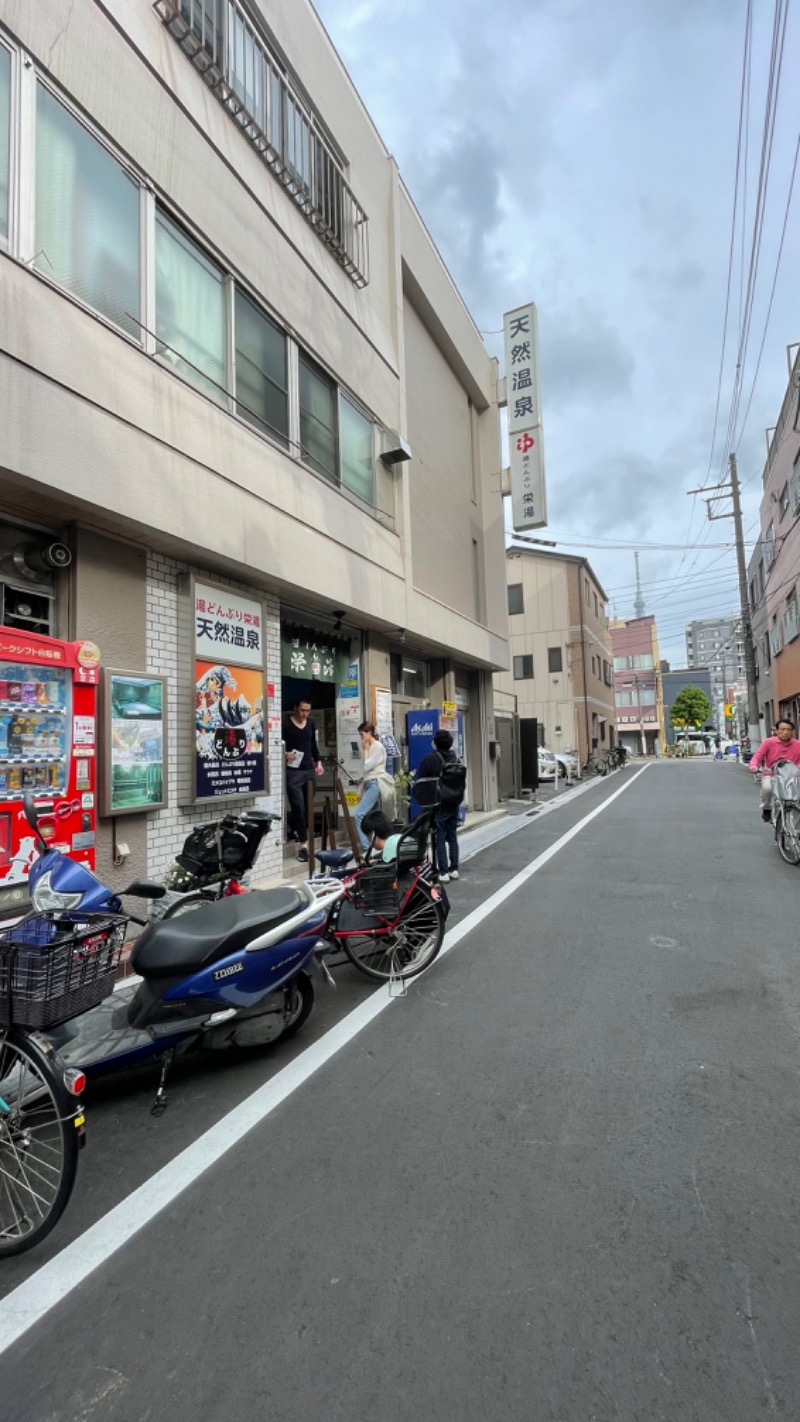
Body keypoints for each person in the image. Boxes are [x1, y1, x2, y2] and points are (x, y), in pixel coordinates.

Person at [417, 728, 465, 883]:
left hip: (438, 805)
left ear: (435, 743)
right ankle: (454, 869)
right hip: (454, 803)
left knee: (440, 838)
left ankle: (443, 871)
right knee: (452, 837)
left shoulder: (430, 759)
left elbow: (419, 781)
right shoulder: (455, 758)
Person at [283, 699, 324, 862]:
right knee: (298, 807)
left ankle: (299, 831)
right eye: (302, 710)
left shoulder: (311, 724)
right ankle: (303, 845)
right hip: (293, 772)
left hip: (309, 770)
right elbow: (276, 744)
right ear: (295, 708)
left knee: (307, 807)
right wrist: (284, 753)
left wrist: (318, 762)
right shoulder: (285, 724)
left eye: (307, 710)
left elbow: (313, 744)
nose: (304, 714)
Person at [750, 717, 800, 820]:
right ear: (776, 731)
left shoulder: (798, 744)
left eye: (788, 730)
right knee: (767, 788)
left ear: (792, 732)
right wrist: (754, 766)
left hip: (792, 776)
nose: (785, 732)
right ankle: (767, 808)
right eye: (782, 729)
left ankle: (796, 831)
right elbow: (758, 756)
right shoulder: (768, 742)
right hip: (772, 774)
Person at [353, 721, 388, 853]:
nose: (361, 737)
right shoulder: (371, 746)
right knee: (373, 817)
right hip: (370, 783)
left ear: (369, 733)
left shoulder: (377, 747)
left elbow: (367, 766)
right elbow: (365, 767)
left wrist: (366, 750)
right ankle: (377, 846)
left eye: (362, 734)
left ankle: (366, 847)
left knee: (359, 815)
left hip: (374, 783)